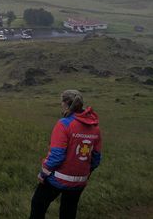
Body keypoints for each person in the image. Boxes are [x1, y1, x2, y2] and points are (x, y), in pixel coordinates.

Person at [30, 90, 101, 219]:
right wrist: (85, 173)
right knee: (68, 212)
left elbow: (57, 156)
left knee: (38, 204)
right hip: (80, 181)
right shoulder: (95, 127)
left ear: (66, 104)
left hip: (58, 178)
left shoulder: (64, 124)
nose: (61, 104)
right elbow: (96, 158)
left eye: (62, 102)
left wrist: (43, 173)